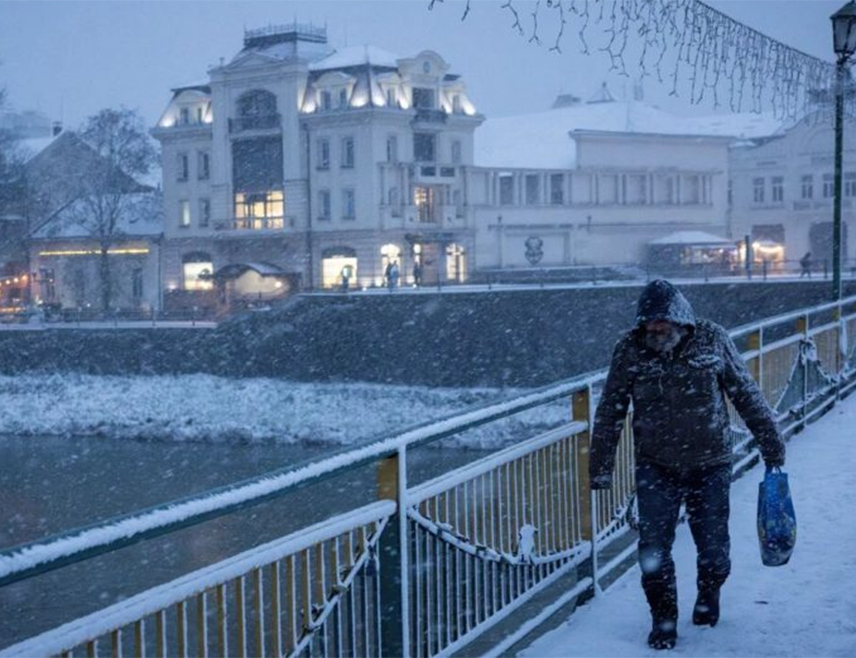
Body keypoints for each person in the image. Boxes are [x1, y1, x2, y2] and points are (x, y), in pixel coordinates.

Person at [590, 279, 785, 651]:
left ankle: (708, 593)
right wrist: (601, 467)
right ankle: (663, 621)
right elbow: (610, 411)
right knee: (653, 549)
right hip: (656, 465)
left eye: (662, 322)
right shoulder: (630, 350)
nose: (655, 329)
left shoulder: (712, 339)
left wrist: (771, 443)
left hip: (710, 463)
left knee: (713, 550)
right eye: (649, 323)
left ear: (682, 321)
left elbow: (745, 392)